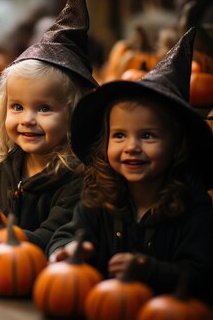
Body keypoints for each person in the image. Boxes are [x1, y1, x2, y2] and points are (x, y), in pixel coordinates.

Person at [48, 27, 213, 298]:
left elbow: (200, 275)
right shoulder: (100, 197)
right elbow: (65, 234)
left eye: (147, 136)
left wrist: (149, 270)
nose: (132, 148)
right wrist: (66, 250)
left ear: (178, 146)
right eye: (120, 135)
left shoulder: (193, 209)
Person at [0, 0, 98, 250]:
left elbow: (50, 237)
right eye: (17, 107)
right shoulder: (8, 160)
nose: (28, 119)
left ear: (75, 113)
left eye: (44, 108)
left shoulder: (78, 178)